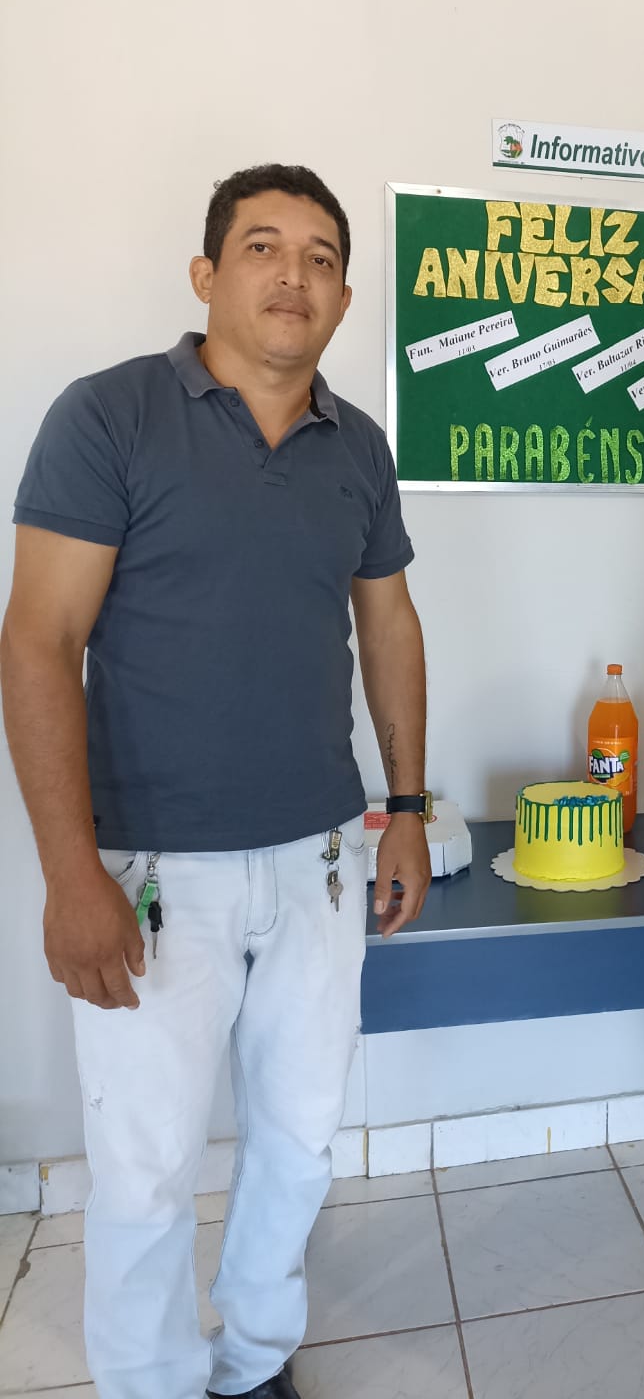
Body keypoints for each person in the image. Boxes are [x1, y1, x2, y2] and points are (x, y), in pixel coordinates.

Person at [0, 164, 432, 1399]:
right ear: (205, 274)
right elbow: (37, 642)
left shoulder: (360, 446)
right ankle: (151, 1381)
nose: (294, 274)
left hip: (320, 858)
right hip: (147, 867)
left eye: (322, 256)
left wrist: (406, 808)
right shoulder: (111, 415)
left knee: (298, 1141)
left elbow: (389, 623)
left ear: (345, 295)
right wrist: (70, 874)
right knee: (143, 1168)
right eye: (262, 246)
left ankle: (251, 1362)